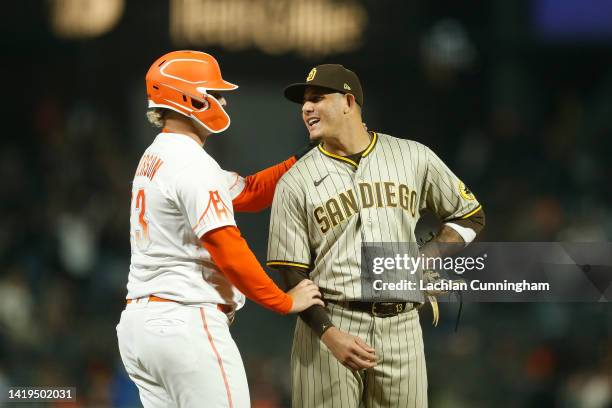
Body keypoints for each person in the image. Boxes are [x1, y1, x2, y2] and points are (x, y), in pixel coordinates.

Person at [266, 64, 485, 408]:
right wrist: (329, 333)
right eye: (303, 101)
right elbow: (292, 272)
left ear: (348, 102)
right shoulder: (296, 180)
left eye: (317, 98)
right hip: (331, 325)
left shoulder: (413, 156)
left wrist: (428, 256)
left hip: (403, 327)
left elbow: (470, 215)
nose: (306, 107)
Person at [116, 50, 324, 408]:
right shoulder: (189, 163)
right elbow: (227, 246)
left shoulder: (160, 154)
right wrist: (283, 301)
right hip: (186, 322)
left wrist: (305, 158)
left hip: (142, 328)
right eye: (213, 92)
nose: (223, 100)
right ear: (188, 97)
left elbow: (251, 192)